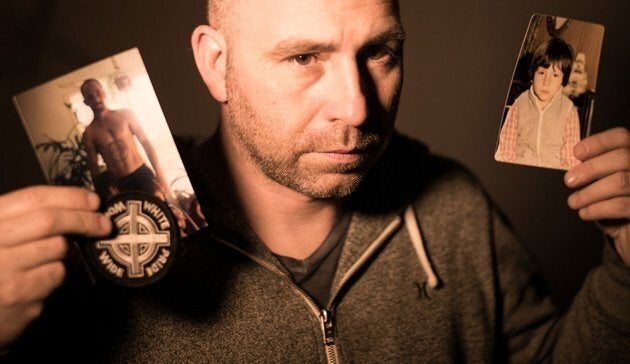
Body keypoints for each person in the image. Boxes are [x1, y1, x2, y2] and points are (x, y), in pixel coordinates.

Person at [1, 1, 629, 362]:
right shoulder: (86, 263)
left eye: (380, 52)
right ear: (216, 66)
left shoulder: (454, 208)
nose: (357, 108)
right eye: (305, 58)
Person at [495, 37, 581, 170]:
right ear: (533, 73)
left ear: (563, 80)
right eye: (541, 73)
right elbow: (505, 151)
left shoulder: (569, 112)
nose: (546, 82)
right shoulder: (519, 105)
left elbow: (571, 161)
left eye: (555, 75)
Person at [80, 78, 169, 200]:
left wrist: (160, 173)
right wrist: (104, 192)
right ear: (85, 102)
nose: (96, 98)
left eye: (98, 92)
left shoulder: (125, 115)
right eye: (90, 97)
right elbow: (94, 168)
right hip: (120, 184)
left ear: (104, 92)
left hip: (142, 174)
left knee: (160, 212)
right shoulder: (89, 133)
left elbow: (145, 142)